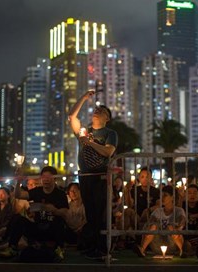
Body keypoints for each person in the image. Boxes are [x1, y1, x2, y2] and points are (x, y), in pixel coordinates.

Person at [68, 90, 118, 259]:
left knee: (100, 212)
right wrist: (83, 97)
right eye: (96, 110)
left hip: (100, 176)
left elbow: (108, 152)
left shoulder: (110, 133)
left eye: (102, 111)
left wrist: (89, 142)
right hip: (85, 176)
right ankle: (90, 247)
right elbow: (71, 117)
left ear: (107, 118)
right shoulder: (84, 130)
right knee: (90, 212)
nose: (97, 112)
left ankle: (102, 248)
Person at [0, 166, 68, 261]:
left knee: (59, 221)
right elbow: (18, 195)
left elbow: (66, 213)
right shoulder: (37, 191)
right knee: (18, 219)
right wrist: (18, 180)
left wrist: (54, 210)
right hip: (37, 227)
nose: (46, 180)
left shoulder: (60, 194)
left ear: (55, 178)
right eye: (44, 177)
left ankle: (60, 249)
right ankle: (13, 248)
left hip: (52, 229)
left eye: (49, 177)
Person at [133, 185, 186, 258]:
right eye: (161, 195)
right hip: (157, 243)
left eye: (165, 195)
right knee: (153, 226)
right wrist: (153, 224)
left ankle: (181, 251)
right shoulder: (158, 211)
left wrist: (178, 228)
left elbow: (182, 220)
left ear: (172, 197)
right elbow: (150, 223)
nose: (162, 198)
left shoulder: (179, 210)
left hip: (173, 243)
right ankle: (142, 249)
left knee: (171, 227)